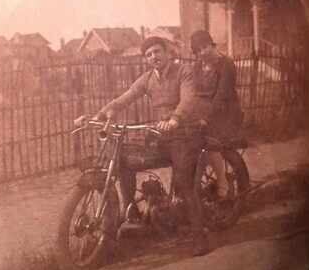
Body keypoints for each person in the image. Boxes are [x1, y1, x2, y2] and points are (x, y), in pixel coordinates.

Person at [82, 36, 211, 256]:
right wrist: (100, 114)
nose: (154, 57)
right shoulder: (148, 78)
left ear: (168, 52)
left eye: (157, 52)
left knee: (183, 181)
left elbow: (188, 99)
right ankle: (131, 212)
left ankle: (199, 235)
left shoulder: (184, 71)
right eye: (149, 54)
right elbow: (126, 97)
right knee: (124, 160)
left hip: (185, 134)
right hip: (161, 136)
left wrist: (175, 118)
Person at [188, 29, 243, 199]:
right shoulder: (197, 66)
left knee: (209, 142)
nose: (202, 52)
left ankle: (223, 183)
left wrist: (205, 118)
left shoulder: (226, 64)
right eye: (198, 50)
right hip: (203, 111)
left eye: (205, 47)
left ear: (212, 44)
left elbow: (222, 95)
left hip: (226, 113)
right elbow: (193, 92)